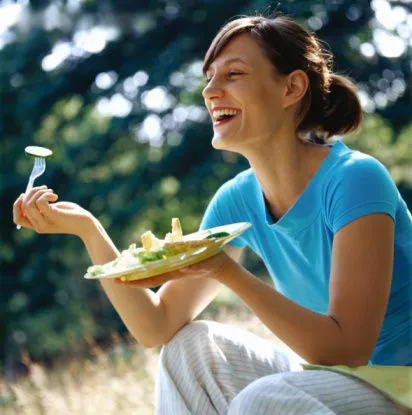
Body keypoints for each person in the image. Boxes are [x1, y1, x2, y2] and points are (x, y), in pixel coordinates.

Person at [13, 15, 411, 415]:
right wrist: (89, 231)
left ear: (291, 87)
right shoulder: (236, 200)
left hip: (401, 385)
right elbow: (157, 326)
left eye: (233, 74)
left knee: (263, 399)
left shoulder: (355, 179)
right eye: (209, 77)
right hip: (331, 380)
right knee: (188, 348)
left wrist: (226, 271)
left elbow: (348, 349)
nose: (210, 91)